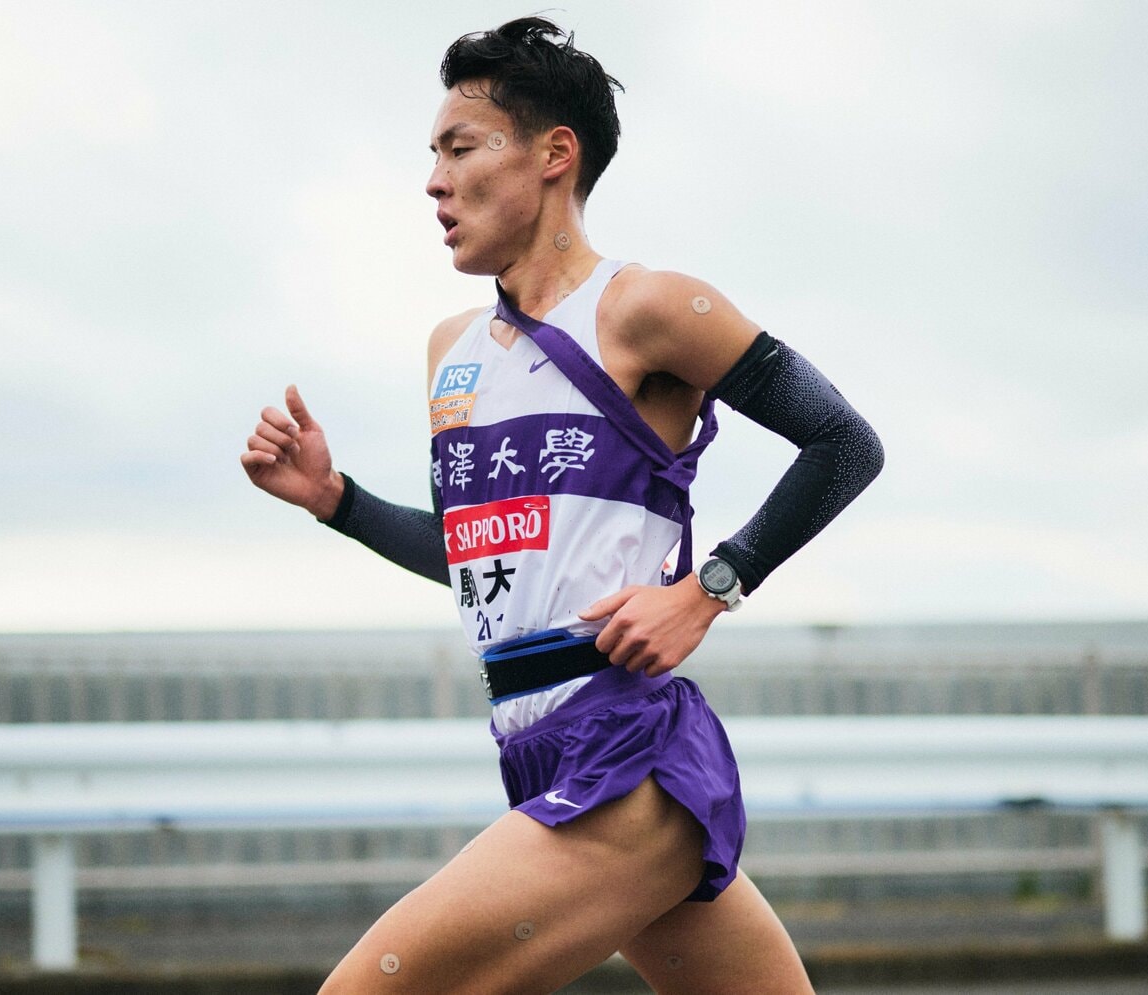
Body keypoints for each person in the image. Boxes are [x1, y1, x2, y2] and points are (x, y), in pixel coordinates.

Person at [241, 17, 883, 994]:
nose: (433, 181)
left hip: (631, 748)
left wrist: (709, 588)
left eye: (461, 149)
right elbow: (477, 558)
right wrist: (336, 500)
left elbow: (845, 442)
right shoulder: (449, 351)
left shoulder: (646, 307)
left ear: (554, 155)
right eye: (433, 156)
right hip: (535, 749)